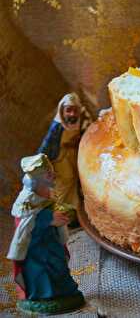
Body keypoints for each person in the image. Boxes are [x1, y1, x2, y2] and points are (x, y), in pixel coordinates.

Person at [6, 154, 84, 314]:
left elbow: (49, 208)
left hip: (51, 243)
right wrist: (48, 218)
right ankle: (42, 297)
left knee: (59, 267)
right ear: (39, 178)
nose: (53, 175)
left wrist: (61, 213)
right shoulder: (26, 201)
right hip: (36, 249)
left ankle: (64, 293)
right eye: (49, 173)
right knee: (41, 273)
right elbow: (24, 222)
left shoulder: (46, 193)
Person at [38, 93, 84, 211]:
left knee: (73, 180)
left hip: (73, 157)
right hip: (60, 159)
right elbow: (46, 146)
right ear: (62, 111)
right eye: (68, 110)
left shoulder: (79, 122)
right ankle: (57, 209)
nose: (72, 114)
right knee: (65, 180)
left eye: (75, 110)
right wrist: (40, 164)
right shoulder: (57, 127)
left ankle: (72, 209)